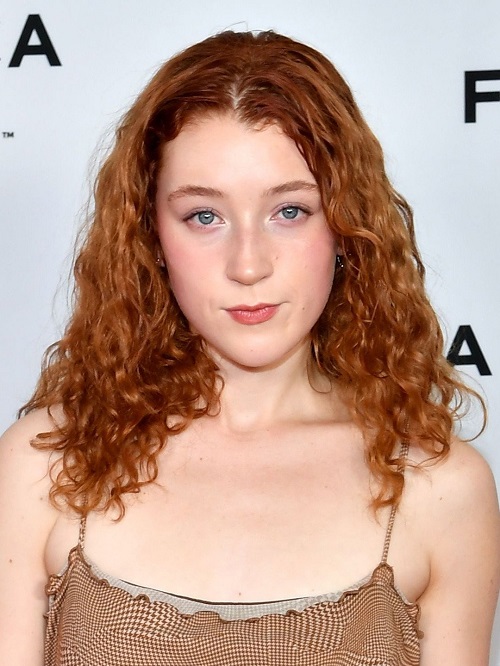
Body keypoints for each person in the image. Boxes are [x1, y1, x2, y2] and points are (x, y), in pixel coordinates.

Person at [0, 30, 498, 666]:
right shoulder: (45, 467)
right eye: (204, 216)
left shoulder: (440, 489)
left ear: (346, 224)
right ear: (150, 236)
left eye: (289, 211)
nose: (248, 264)